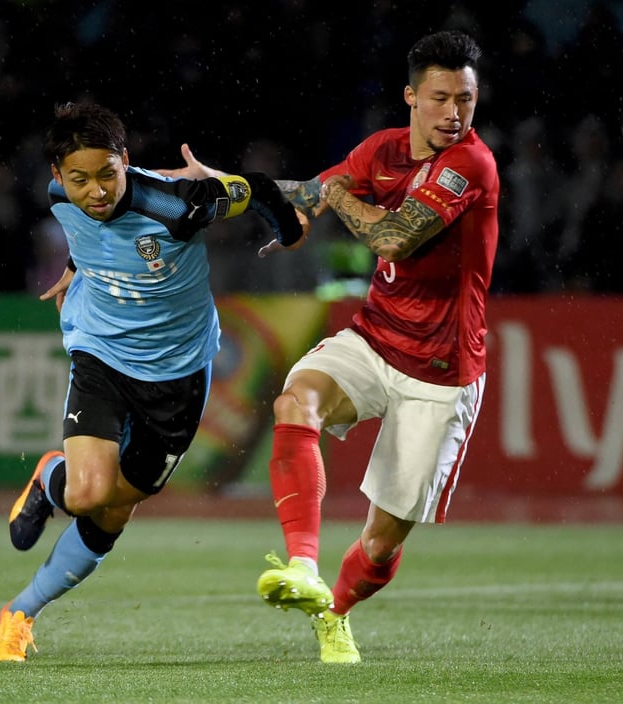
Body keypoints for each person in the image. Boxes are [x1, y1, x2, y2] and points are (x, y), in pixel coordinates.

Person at [161, 29, 498, 663]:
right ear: (410, 97)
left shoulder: (472, 164)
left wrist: (341, 198)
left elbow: (394, 238)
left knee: (380, 542)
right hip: (375, 337)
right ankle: (304, 567)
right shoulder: (383, 150)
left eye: (466, 99)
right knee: (296, 402)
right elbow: (308, 195)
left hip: (443, 370)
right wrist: (223, 187)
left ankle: (334, 614)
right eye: (440, 97)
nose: (454, 113)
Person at [0, 101, 306, 662]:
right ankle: (27, 592)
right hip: (101, 353)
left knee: (114, 507)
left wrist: (288, 229)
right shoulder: (59, 196)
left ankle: (21, 601)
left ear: (126, 162)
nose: (96, 192)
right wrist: (73, 270)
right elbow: (89, 239)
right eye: (80, 179)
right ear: (57, 177)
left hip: (178, 373)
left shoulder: (177, 206)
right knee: (88, 492)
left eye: (108, 174)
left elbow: (257, 188)